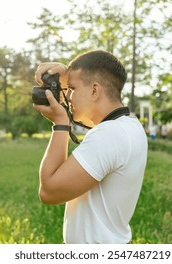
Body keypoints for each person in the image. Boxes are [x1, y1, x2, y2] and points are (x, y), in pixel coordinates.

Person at [33, 50, 148, 244]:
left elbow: (49, 192)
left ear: (94, 90)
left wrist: (60, 124)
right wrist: (66, 75)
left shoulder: (110, 135)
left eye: (72, 88)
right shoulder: (128, 125)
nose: (67, 97)